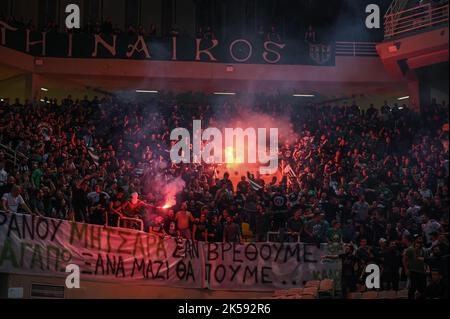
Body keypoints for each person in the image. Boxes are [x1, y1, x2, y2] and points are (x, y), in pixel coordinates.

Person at [403, 235, 427, 299]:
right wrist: (406, 269)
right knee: (413, 288)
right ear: (415, 240)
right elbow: (404, 259)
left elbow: (425, 260)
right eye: (419, 239)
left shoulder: (424, 249)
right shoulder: (410, 249)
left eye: (421, 238)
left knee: (423, 288)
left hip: (422, 271)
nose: (420, 240)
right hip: (413, 271)